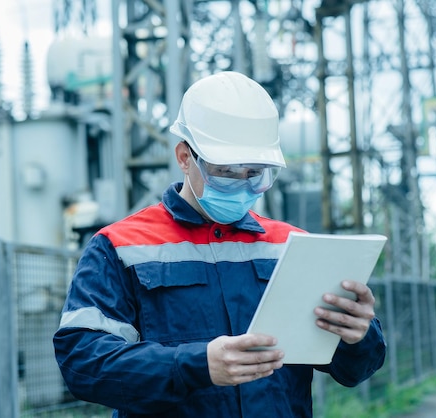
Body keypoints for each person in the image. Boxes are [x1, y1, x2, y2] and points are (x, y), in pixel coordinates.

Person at [53, 71, 386, 418]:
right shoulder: (119, 247)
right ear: (185, 157)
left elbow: (354, 371)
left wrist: (359, 336)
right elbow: (82, 362)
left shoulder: (290, 245)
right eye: (227, 172)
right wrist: (196, 365)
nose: (243, 187)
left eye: (255, 174)